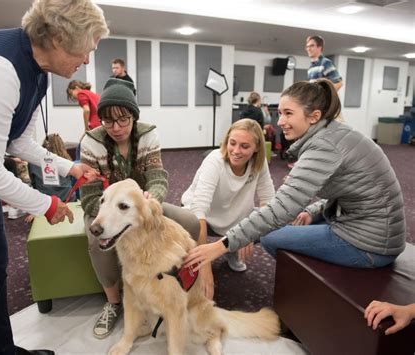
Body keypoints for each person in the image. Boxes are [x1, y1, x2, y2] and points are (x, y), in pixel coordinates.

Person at [0, 0, 109, 354]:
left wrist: (69, 167)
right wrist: (46, 204)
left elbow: (18, 140)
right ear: (60, 37)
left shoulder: (39, 73)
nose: (87, 60)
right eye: (87, 48)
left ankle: (2, 349)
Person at [184, 78, 405, 274]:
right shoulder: (335, 134)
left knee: (269, 237)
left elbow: (280, 208)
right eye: (280, 113)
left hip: (371, 244)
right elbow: (353, 189)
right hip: (374, 227)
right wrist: (312, 209)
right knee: (282, 223)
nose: (280, 121)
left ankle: (316, 286)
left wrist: (221, 245)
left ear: (314, 116)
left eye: (288, 113)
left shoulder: (323, 146)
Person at [79, 78, 200, 339]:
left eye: (123, 119)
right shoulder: (91, 142)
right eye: (108, 121)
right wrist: (111, 213)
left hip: (141, 206)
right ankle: (113, 302)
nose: (116, 127)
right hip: (105, 206)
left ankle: (181, 286)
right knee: (96, 239)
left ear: (133, 116)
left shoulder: (148, 134)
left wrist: (150, 200)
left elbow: (158, 176)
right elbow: (88, 196)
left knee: (189, 221)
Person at [181, 119, 275, 299]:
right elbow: (199, 209)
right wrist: (204, 265)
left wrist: (250, 232)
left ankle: (231, 249)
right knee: (187, 222)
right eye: (232, 143)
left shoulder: (259, 162)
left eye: (244, 146)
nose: (236, 151)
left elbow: (269, 201)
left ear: (256, 148)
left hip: (236, 219)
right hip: (203, 218)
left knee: (268, 221)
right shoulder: (215, 161)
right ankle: (202, 254)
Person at [28, 133, 76, 203]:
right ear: (61, 146)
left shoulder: (33, 162)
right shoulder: (67, 161)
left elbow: (33, 183)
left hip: (45, 201)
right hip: (68, 198)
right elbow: (71, 181)